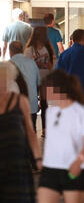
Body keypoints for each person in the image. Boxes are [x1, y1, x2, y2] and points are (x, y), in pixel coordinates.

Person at [37, 70, 84, 203]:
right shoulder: (51, 112)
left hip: (72, 167)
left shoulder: (83, 111)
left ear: (59, 89)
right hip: (50, 168)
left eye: (47, 91)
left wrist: (79, 160)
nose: (45, 96)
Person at [0, 61, 42, 203]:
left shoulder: (20, 101)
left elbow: (30, 133)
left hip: (17, 164)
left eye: (5, 80)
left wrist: (37, 159)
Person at [9, 41, 41, 131]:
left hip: (14, 107)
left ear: (10, 51)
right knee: (31, 131)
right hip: (32, 105)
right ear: (22, 50)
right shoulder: (32, 63)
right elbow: (38, 84)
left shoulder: (8, 65)